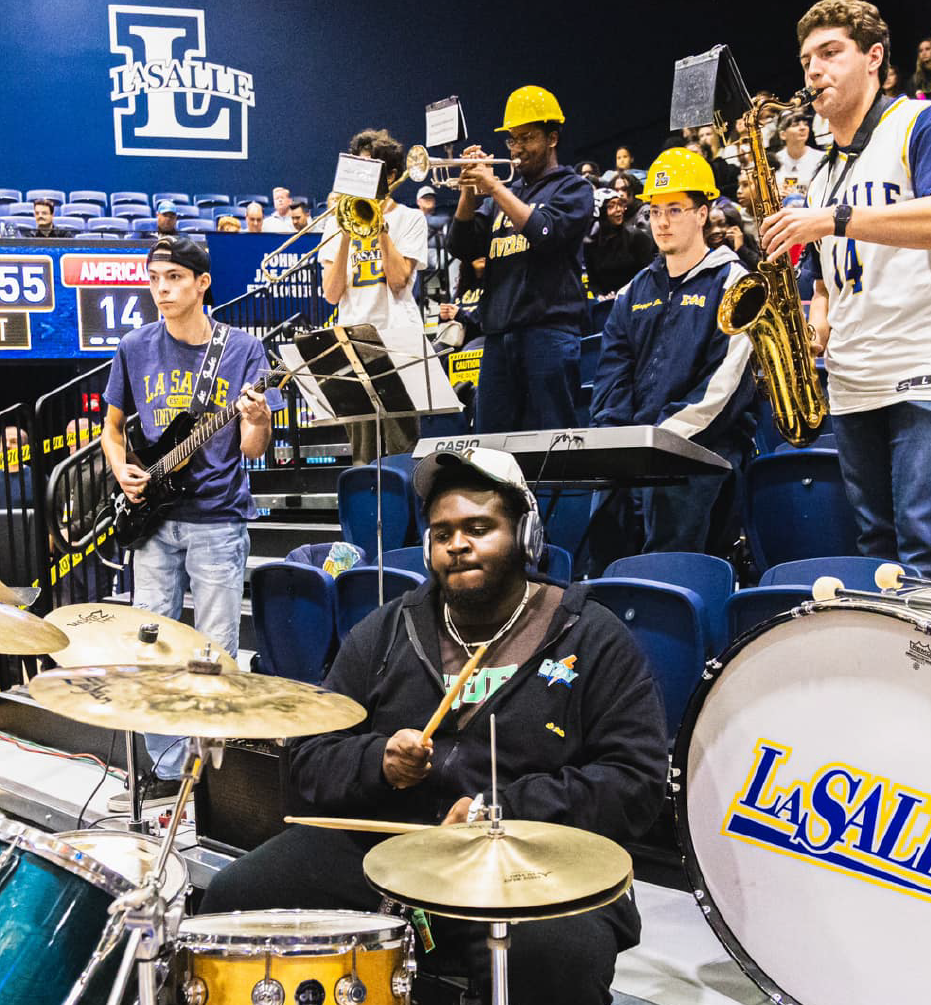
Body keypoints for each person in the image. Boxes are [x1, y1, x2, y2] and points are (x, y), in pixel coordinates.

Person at [202, 445, 668, 1005]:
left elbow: (636, 781)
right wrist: (379, 763)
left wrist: (502, 811)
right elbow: (310, 755)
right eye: (443, 532)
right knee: (236, 899)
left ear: (525, 537)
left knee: (554, 959)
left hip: (537, 865)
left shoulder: (591, 635)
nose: (458, 545)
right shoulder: (389, 629)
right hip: (391, 845)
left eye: (479, 527)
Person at [765, 0, 931, 582]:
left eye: (830, 52)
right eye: (806, 60)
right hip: (853, 374)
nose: (814, 70)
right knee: (877, 550)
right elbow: (824, 276)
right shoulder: (820, 170)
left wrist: (832, 219)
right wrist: (815, 320)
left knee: (926, 546)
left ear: (874, 58)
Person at [101, 236, 278, 785]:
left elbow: (253, 448)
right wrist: (121, 468)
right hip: (152, 518)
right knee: (152, 646)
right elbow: (110, 429)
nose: (161, 288)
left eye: (174, 277)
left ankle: (210, 773)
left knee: (214, 649)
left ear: (202, 283)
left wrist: (256, 419)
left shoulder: (242, 350)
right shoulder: (134, 346)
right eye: (155, 278)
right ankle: (165, 767)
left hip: (218, 519)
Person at [589, 148, 757, 566]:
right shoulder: (635, 291)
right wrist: (619, 443)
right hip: (636, 451)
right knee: (604, 556)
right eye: (655, 211)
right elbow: (612, 373)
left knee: (668, 566)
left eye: (675, 210)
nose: (661, 222)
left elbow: (724, 384)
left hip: (701, 452)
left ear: (703, 213)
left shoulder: (734, 282)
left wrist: (660, 440)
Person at [449, 87, 594, 432]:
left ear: (552, 138)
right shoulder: (507, 194)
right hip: (499, 337)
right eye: (512, 140)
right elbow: (462, 245)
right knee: (491, 444)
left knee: (552, 443)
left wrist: (495, 187)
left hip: (549, 334)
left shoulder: (573, 188)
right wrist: (470, 189)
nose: (516, 149)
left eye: (526, 138)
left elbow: (545, 234)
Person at [317, 128, 428, 464]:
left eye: (370, 171)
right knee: (363, 456)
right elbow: (332, 294)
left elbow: (397, 282)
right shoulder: (336, 223)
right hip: (353, 345)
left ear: (391, 176)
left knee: (400, 450)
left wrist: (378, 225)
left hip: (397, 343)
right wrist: (347, 231)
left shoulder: (410, 219)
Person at [585, 189, 657, 297]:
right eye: (611, 206)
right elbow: (593, 281)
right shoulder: (591, 244)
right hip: (606, 302)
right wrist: (600, 295)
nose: (618, 210)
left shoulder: (636, 237)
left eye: (620, 205)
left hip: (635, 298)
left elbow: (649, 274)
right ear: (600, 211)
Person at [775, 113, 826, 198]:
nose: (803, 128)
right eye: (795, 125)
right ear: (783, 135)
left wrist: (802, 197)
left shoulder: (821, 158)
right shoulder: (773, 161)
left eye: (805, 124)